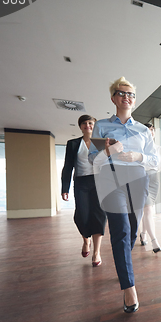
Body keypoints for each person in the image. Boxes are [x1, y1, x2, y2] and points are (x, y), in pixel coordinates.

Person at [89, 77, 158, 313]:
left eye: (130, 94)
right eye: (121, 93)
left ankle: (122, 264)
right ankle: (129, 287)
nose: (126, 97)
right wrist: (110, 150)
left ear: (134, 100)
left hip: (138, 179)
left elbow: (154, 160)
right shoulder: (101, 126)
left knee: (131, 228)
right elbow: (91, 158)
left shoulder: (143, 130)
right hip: (111, 179)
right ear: (113, 98)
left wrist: (138, 157)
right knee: (121, 229)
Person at [61, 114, 107, 267]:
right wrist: (64, 188)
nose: (88, 125)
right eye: (84, 123)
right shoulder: (73, 144)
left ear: (95, 126)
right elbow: (67, 167)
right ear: (80, 126)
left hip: (99, 182)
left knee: (99, 215)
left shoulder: (101, 143)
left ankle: (96, 252)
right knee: (82, 215)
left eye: (91, 123)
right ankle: (86, 241)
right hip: (81, 183)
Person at [138, 122, 161, 253]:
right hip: (140, 178)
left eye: (152, 130)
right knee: (147, 210)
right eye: (147, 129)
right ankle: (154, 241)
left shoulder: (159, 149)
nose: (150, 132)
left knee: (147, 209)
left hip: (154, 180)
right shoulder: (138, 147)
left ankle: (143, 234)